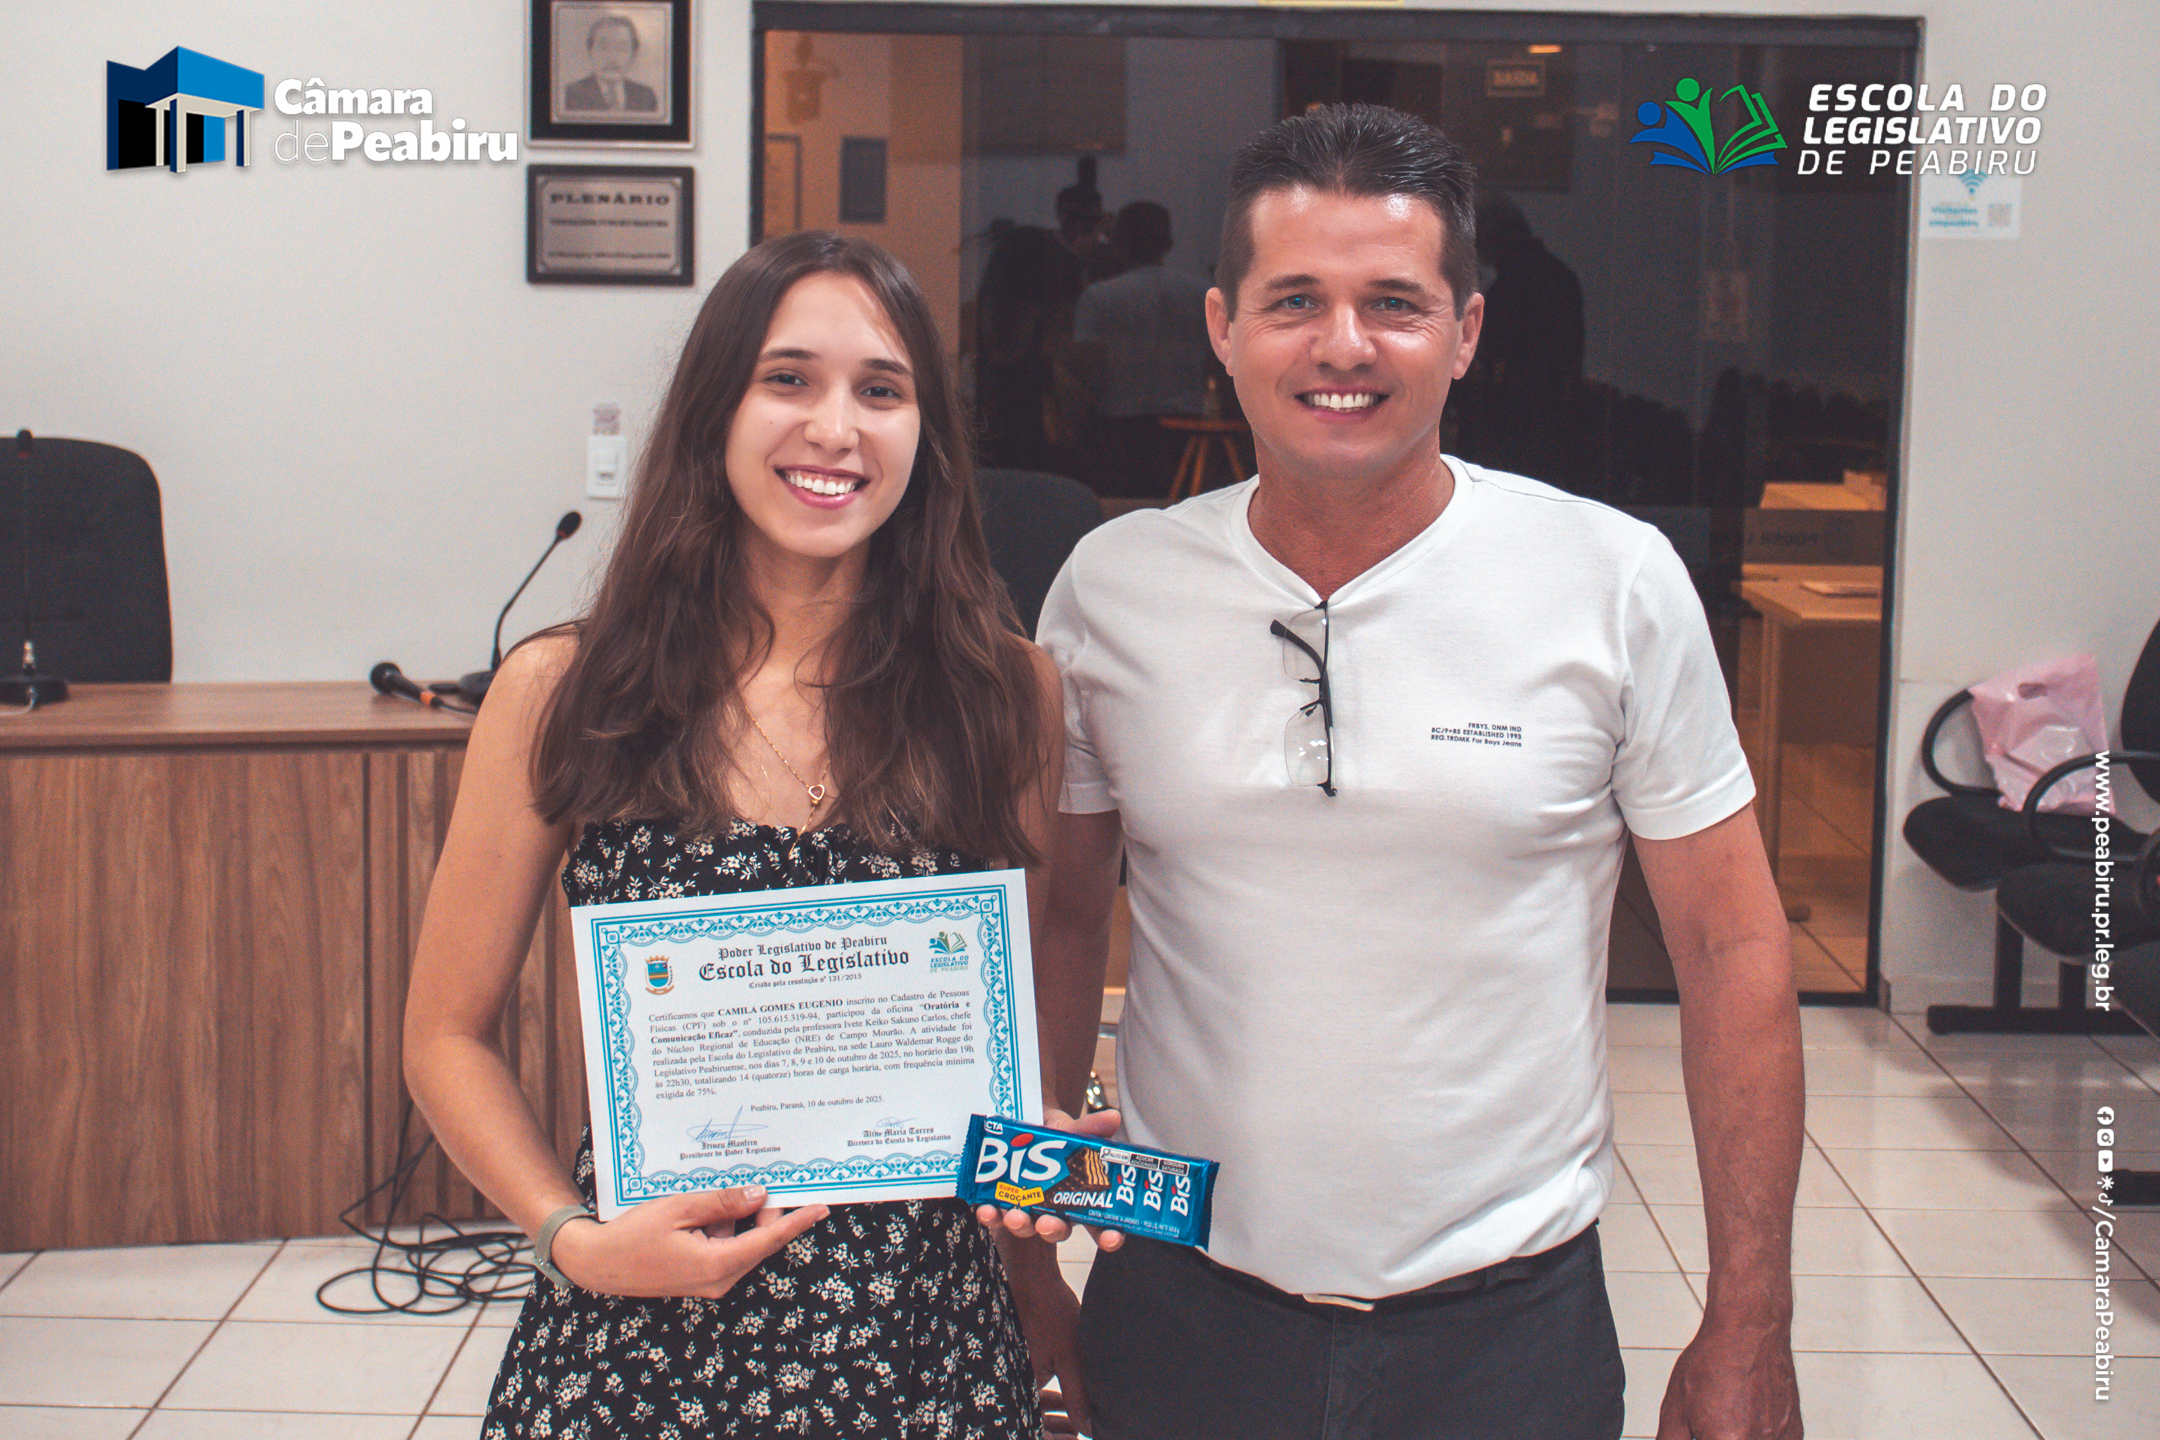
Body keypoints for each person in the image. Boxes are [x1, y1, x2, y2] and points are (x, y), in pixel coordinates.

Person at [997, 103, 1805, 1439]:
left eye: (1394, 303)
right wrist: (1031, 1272)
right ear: (1222, 327)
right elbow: (1061, 921)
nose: (1344, 345)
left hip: (1508, 1326)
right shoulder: (1113, 587)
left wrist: (1749, 1323)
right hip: (1183, 1301)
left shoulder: (1608, 581)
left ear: (1467, 331)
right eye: (1295, 300)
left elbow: (1731, 948)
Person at [403, 231, 1081, 1437]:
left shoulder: (1004, 695)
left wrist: (1049, 1185)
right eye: (788, 379)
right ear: (714, 408)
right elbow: (445, 1036)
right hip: (639, 1332)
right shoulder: (566, 690)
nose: (836, 427)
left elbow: (996, 1054)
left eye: (882, 391)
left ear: (926, 436)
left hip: (923, 1346)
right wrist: (572, 1241)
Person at [1067, 201, 1214, 498]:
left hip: (1117, 424)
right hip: (1185, 426)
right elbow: (1218, 364)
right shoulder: (1202, 294)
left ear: (1117, 242)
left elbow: (1086, 368)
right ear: (1168, 243)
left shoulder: (1099, 297)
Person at [563, 14, 659, 115]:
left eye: (621, 49)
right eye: (603, 48)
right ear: (590, 53)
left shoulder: (646, 96)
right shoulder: (571, 95)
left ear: (633, 56)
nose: (612, 58)